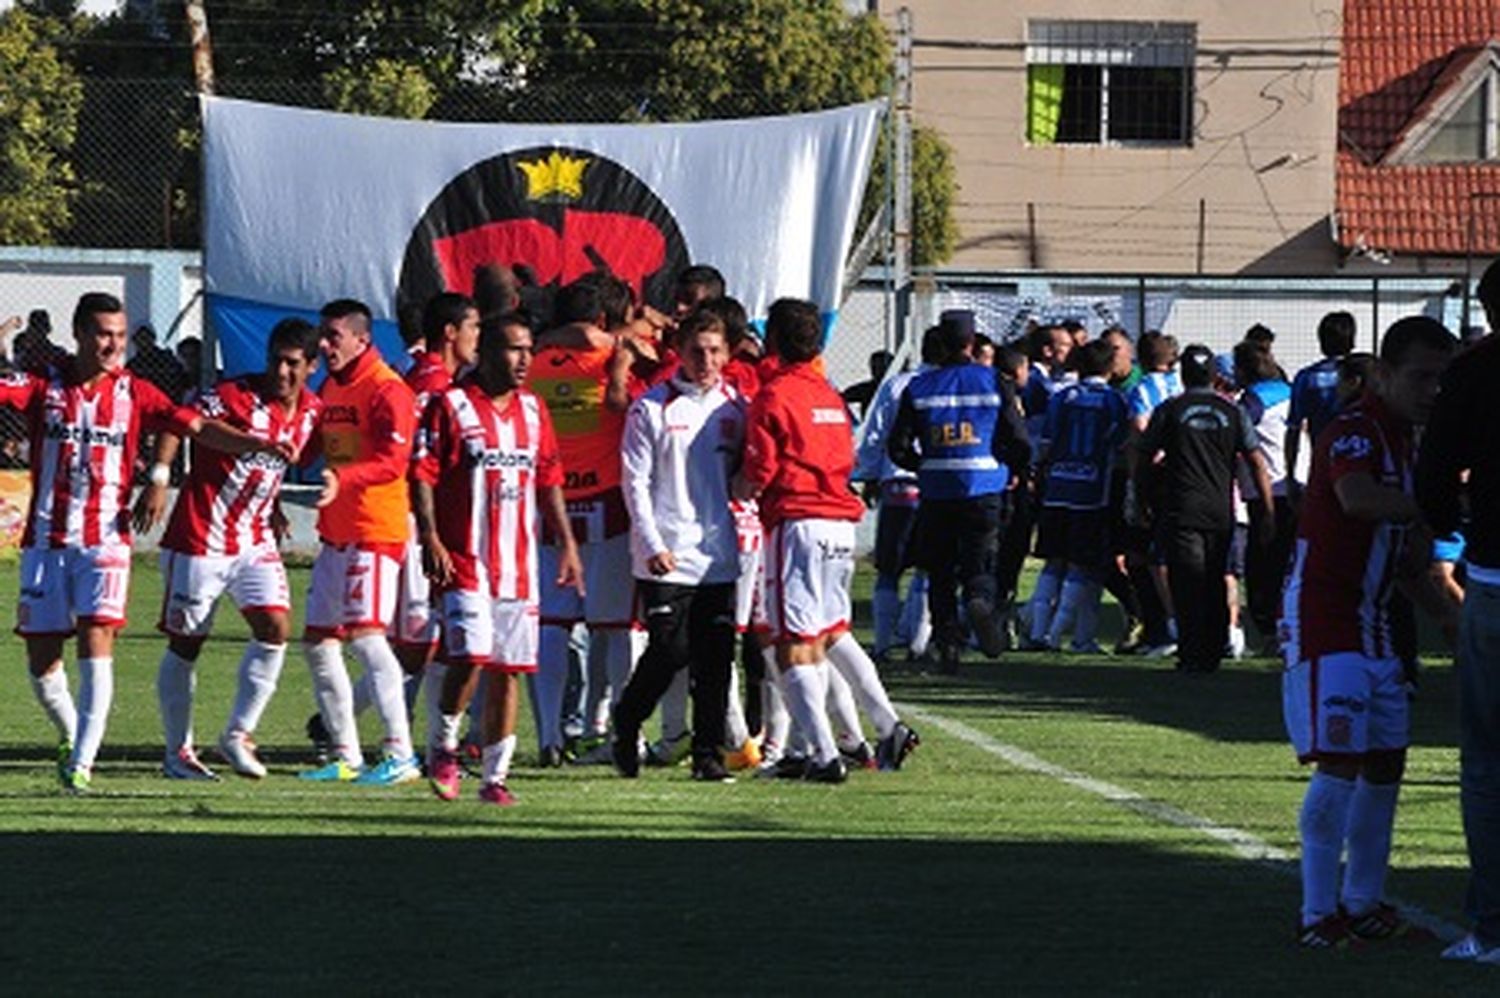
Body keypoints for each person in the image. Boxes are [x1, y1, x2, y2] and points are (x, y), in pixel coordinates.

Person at [0, 292, 288, 792]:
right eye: (103, 333)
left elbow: (194, 426)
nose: (113, 344)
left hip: (106, 542)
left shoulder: (135, 391)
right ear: (80, 333)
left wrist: (254, 444)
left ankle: (83, 763)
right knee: (42, 661)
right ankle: (72, 734)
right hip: (46, 541)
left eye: (119, 335)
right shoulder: (45, 383)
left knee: (97, 640)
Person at [1282, 316, 1457, 947]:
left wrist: (1444, 612)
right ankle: (1316, 913)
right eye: (1422, 377)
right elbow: (1357, 500)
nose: (1434, 390)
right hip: (1327, 619)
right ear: (1381, 373)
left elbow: (1404, 552)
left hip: (1375, 621)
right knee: (1340, 764)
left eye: (1444, 378)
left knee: (1386, 765)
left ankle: (1363, 901)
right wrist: (1444, 506)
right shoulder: (1354, 431)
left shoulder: (1408, 444)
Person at [736, 298, 918, 781]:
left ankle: (821, 753)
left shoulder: (774, 395)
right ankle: (886, 724)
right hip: (840, 522)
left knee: (791, 642)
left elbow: (761, 468)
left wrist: (736, 485)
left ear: (772, 340)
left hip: (797, 521)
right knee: (833, 631)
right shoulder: (829, 394)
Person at [134, 317, 324, 779]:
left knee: (275, 625)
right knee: (187, 643)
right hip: (201, 537)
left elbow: (274, 465)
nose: (282, 372)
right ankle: (177, 753)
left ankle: (238, 734)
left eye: (293, 364)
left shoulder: (313, 411)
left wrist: (274, 501)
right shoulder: (233, 395)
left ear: (311, 367)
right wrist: (160, 477)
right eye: (275, 360)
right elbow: (181, 425)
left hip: (254, 538)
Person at [415, 312, 582, 805]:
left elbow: (549, 478)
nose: (525, 359)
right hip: (466, 558)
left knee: (508, 670)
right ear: (485, 353)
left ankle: (494, 778)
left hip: (519, 564)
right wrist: (429, 535)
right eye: (513, 349)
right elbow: (422, 473)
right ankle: (444, 747)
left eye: (529, 349)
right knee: (470, 656)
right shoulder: (451, 406)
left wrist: (567, 543)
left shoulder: (534, 410)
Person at [611, 310, 746, 782]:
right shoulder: (651, 408)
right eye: (696, 350)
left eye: (714, 350)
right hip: (666, 553)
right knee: (670, 651)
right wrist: (650, 541)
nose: (706, 360)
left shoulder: (737, 407)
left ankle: (707, 754)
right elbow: (635, 482)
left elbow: (744, 479)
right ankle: (626, 722)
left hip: (719, 556)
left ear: (728, 353)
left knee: (716, 659)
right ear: (679, 354)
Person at [299, 298, 422, 785]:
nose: (325, 345)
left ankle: (401, 754)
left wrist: (341, 480)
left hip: (375, 532)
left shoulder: (389, 389)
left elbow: (394, 464)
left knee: (368, 639)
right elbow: (312, 445)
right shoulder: (330, 385)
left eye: (333, 336)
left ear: (362, 339)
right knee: (318, 642)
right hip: (337, 533)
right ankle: (346, 755)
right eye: (322, 336)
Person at [1416, 259, 1500, 963]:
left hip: (1497, 578)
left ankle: (1494, 923)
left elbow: (1433, 472)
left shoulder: (1473, 373)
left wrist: (1459, 520)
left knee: (1486, 761)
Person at [529, 275, 640, 766]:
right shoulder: (613, 361)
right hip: (608, 505)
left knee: (552, 625)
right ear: (600, 320)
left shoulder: (533, 365)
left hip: (551, 506)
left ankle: (549, 736)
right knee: (615, 628)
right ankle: (624, 733)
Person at [888, 310, 1029, 671]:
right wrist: (1014, 468)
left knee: (940, 569)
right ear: (972, 342)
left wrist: (925, 465)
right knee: (980, 558)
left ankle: (948, 643)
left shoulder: (919, 387)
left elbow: (898, 446)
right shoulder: (995, 381)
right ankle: (980, 599)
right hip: (984, 486)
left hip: (937, 490)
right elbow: (1017, 437)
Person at [1136, 345, 1273, 673]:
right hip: (1220, 509)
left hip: (1181, 508)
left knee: (1187, 581)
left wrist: (1140, 498)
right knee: (1215, 578)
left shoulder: (1170, 409)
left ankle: (1193, 651)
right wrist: (1266, 508)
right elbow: (1256, 460)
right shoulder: (1231, 411)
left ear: (1182, 375)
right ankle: (1212, 649)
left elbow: (1143, 457)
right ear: (1214, 375)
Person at [393, 293, 480, 770]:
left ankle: (413, 742)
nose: (477, 338)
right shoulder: (433, 386)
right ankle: (399, 742)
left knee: (432, 638)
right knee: (419, 639)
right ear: (450, 333)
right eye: (473, 329)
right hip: (417, 524)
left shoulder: (434, 378)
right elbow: (416, 461)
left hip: (422, 523)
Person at [1025, 340, 1129, 653]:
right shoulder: (1115, 401)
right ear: (1110, 367)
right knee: (1081, 564)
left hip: (1057, 488)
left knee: (1053, 561)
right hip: (1092, 492)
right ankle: (1063, 636)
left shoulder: (1061, 397)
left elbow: (1045, 444)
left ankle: (1039, 632)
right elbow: (1121, 446)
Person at [854, 325, 939, 664]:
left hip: (899, 484)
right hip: (938, 486)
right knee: (928, 568)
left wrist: (870, 474)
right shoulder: (950, 385)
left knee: (889, 568)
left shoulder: (897, 384)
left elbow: (875, 433)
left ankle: (884, 643)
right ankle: (918, 644)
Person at [1233, 340, 1295, 653]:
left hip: (1267, 491)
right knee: (1287, 563)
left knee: (1262, 567)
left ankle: (1271, 631)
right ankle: (1287, 629)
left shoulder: (1252, 400)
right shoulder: (1290, 390)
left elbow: (1241, 442)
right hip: (1296, 485)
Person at [1286, 312, 1357, 501]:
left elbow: (1293, 429)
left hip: (1322, 463)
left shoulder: (1306, 377)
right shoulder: (1363, 374)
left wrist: (1290, 475)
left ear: (1321, 342)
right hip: (1360, 463)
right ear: (1352, 341)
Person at [842, 348, 894, 422]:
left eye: (878, 367)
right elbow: (844, 396)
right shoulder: (867, 389)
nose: (874, 369)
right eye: (873, 366)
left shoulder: (868, 389)